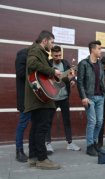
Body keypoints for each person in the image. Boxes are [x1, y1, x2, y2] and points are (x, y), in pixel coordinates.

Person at [25, 30, 73, 169]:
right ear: (45, 41)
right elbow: (32, 64)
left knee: (35, 128)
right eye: (51, 42)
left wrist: (63, 77)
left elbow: (45, 77)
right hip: (40, 98)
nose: (52, 46)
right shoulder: (35, 50)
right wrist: (52, 71)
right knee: (42, 128)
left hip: (38, 96)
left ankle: (33, 157)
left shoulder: (39, 51)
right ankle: (42, 159)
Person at [45, 45, 80, 154]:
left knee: (67, 120)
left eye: (60, 55)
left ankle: (69, 143)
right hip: (52, 97)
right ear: (52, 54)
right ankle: (48, 143)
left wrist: (73, 80)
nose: (58, 57)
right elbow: (44, 78)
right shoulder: (48, 63)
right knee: (48, 121)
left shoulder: (65, 63)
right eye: (55, 55)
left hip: (64, 97)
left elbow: (72, 73)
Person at [77, 40, 105, 156]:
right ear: (93, 49)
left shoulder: (100, 64)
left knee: (99, 122)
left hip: (100, 97)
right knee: (92, 121)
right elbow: (80, 82)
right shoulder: (83, 63)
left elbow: (101, 80)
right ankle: (89, 146)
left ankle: (93, 143)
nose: (100, 51)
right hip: (89, 97)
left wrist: (104, 93)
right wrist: (83, 97)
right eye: (99, 48)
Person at [15, 48, 31, 162]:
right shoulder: (23, 56)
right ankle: (19, 151)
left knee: (36, 126)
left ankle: (34, 149)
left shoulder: (32, 56)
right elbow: (21, 74)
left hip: (34, 99)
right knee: (22, 125)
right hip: (25, 99)